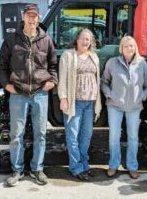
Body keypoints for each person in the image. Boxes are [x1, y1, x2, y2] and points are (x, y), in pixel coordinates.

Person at [0, 4, 58, 187]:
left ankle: (37, 169)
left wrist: (52, 81)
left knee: (41, 133)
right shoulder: (11, 40)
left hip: (40, 93)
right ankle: (17, 170)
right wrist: (7, 85)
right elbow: (2, 66)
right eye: (29, 16)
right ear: (23, 18)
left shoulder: (46, 40)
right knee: (17, 134)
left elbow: (53, 65)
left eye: (35, 16)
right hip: (19, 94)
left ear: (38, 18)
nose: (32, 19)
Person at [101, 36, 147, 179]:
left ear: (135, 47)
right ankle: (113, 165)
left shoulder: (142, 64)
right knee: (114, 137)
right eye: (126, 46)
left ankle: (132, 166)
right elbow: (104, 82)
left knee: (133, 137)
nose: (129, 48)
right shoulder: (112, 63)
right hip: (115, 106)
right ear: (121, 49)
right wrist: (108, 94)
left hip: (134, 107)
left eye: (131, 46)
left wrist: (141, 96)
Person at [58, 28, 101, 181]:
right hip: (73, 102)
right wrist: (63, 98)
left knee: (86, 136)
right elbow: (62, 78)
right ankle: (76, 167)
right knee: (72, 136)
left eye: (88, 39)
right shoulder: (68, 55)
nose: (85, 41)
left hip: (90, 102)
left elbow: (97, 79)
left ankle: (84, 164)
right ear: (77, 40)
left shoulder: (94, 57)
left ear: (91, 42)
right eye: (82, 38)